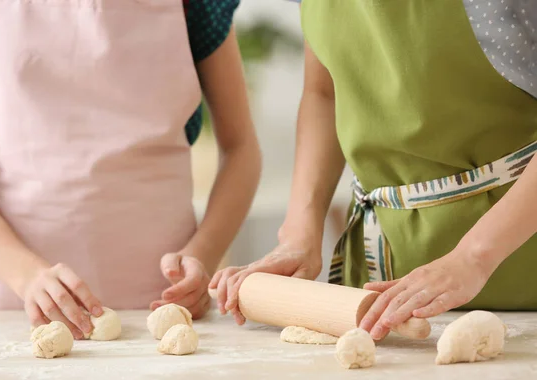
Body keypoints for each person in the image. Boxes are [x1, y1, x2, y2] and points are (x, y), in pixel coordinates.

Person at [210, 0, 537, 341]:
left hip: (520, 269)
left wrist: (475, 257)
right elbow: (324, 93)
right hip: (377, 294)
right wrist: (298, 234)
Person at [0, 0, 261, 339]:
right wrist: (27, 275)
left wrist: (203, 256)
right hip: (20, 300)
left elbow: (240, 150)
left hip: (165, 300)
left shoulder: (198, 4)